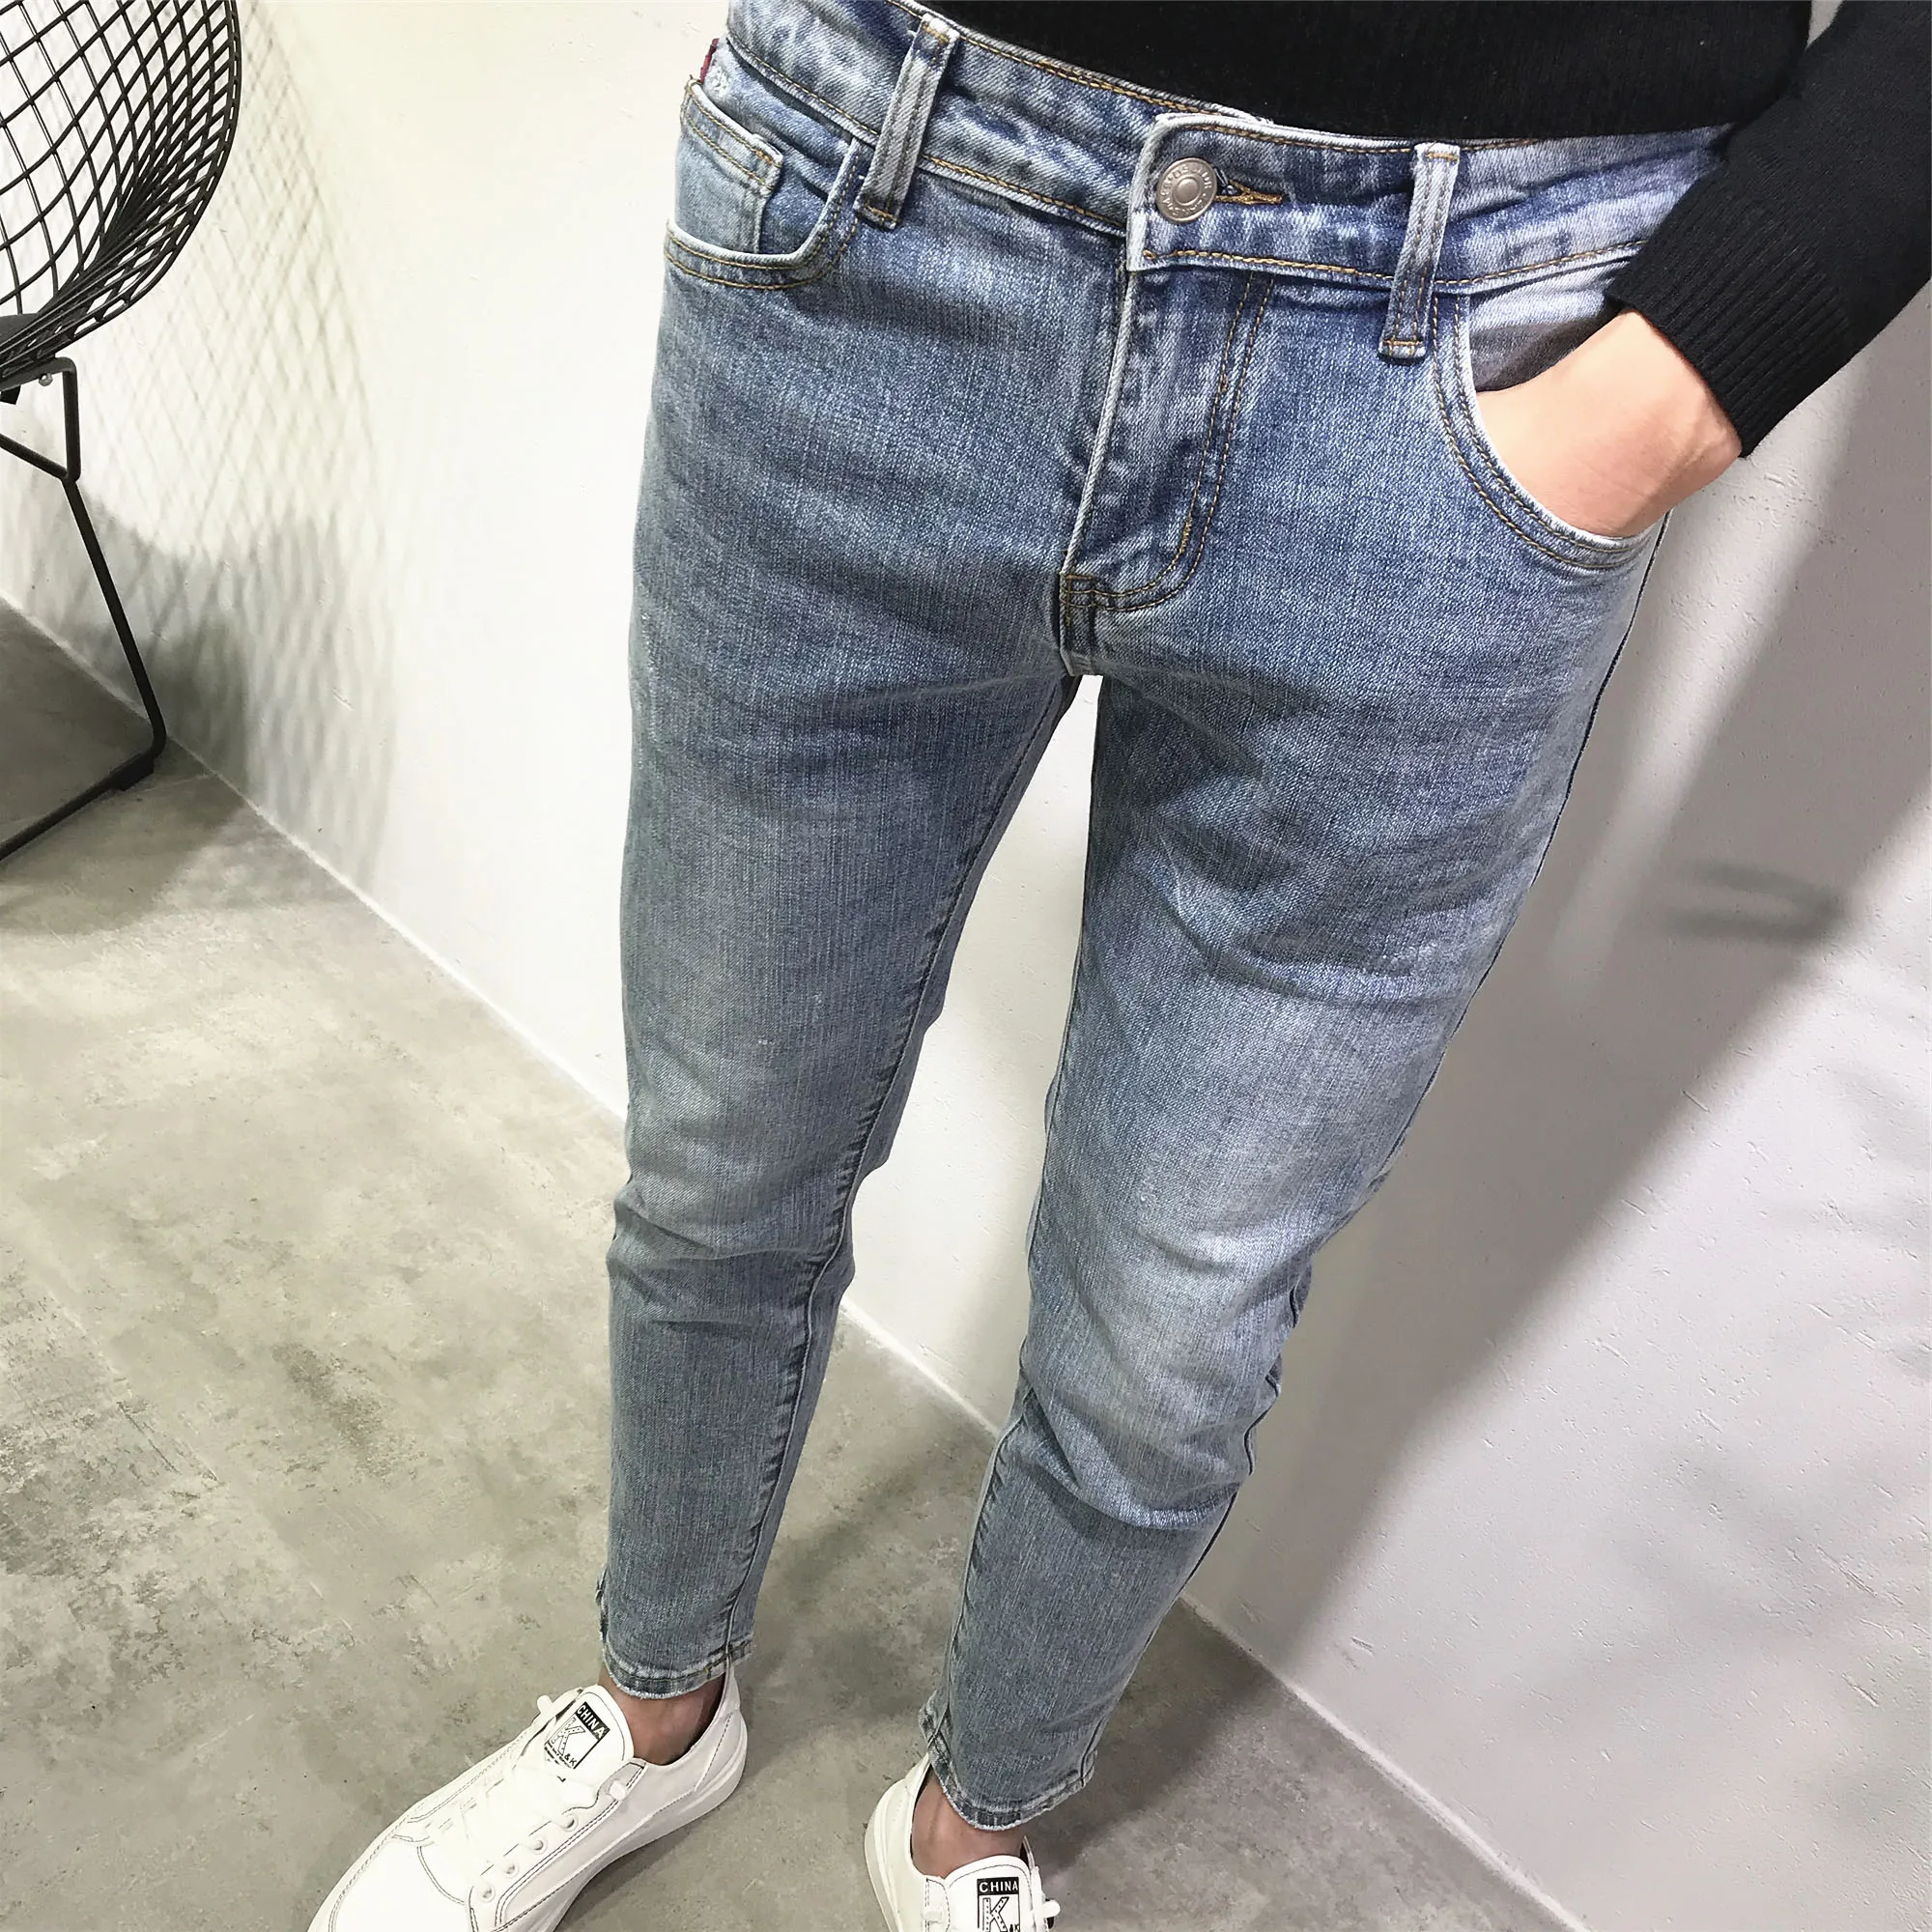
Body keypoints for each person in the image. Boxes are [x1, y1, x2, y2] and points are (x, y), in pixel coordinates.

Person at [309, 3, 1929, 1928]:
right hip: (878, 215)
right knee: (725, 1150)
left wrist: (1673, 387)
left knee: (1172, 1331)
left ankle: (973, 1827)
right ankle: (654, 1709)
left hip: (1478, 354)